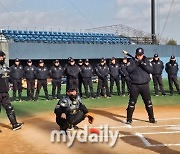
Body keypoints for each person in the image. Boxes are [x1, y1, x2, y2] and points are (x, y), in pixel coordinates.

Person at [126, 48, 156, 124]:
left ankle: (151, 118)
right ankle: (129, 119)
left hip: (144, 85)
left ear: (143, 54)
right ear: (136, 54)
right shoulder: (132, 61)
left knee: (148, 102)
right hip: (134, 85)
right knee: (132, 103)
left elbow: (151, 70)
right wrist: (136, 64)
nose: (139, 56)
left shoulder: (146, 61)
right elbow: (129, 70)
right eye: (138, 55)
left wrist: (143, 64)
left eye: (141, 55)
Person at [0, 51, 23, 130]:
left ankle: (14, 124)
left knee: (9, 108)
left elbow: (8, 77)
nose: (1, 58)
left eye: (2, 56)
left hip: (5, 92)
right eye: (0, 56)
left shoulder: (6, 67)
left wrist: (12, 82)